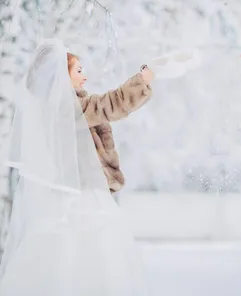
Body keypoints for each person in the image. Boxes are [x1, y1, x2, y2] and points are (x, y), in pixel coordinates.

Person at [0, 39, 153, 296]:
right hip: (80, 196)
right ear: (62, 76)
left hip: (73, 194)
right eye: (78, 70)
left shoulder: (59, 107)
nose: (85, 75)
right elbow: (109, 104)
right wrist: (142, 80)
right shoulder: (65, 107)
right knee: (86, 256)